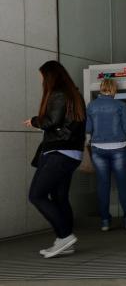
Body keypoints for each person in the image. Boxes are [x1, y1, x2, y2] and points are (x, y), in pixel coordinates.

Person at [24, 60, 86, 258]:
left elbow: (52, 121)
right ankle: (64, 242)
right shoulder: (74, 94)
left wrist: (34, 121)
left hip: (58, 153)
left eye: (43, 76)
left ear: (50, 76)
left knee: (37, 195)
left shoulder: (59, 94)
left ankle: (65, 236)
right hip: (71, 154)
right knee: (59, 198)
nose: (41, 80)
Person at [86, 79, 126, 231]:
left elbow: (88, 128)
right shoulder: (120, 105)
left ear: (101, 89)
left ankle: (105, 222)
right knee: (122, 184)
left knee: (103, 185)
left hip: (98, 148)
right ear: (114, 89)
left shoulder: (91, 105)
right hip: (118, 148)